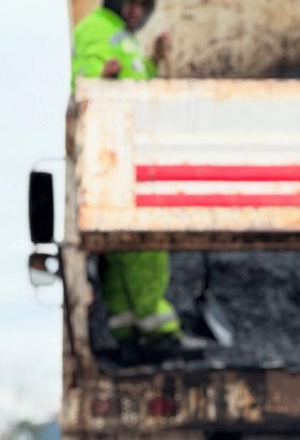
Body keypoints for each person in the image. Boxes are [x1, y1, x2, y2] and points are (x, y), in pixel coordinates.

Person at [72, 1, 204, 358]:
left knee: (122, 254)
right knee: (145, 246)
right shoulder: (96, 29)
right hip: (116, 157)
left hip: (122, 157)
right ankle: (158, 330)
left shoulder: (124, 37)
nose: (135, 10)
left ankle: (126, 330)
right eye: (130, 2)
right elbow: (88, 81)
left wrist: (154, 62)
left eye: (141, 5)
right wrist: (103, 79)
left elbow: (134, 85)